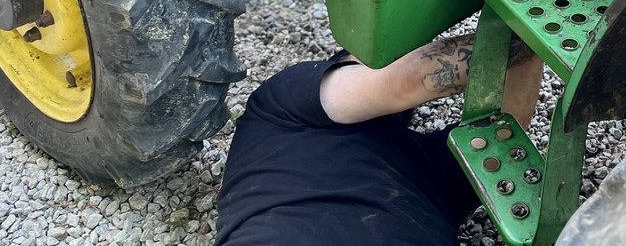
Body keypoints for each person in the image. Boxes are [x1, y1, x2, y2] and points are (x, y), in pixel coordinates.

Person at [215, 31, 543, 245]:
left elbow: (506, 130)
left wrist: (529, 39)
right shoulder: (282, 102)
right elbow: (407, 82)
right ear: (341, 63)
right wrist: (530, 24)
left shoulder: (424, 166)